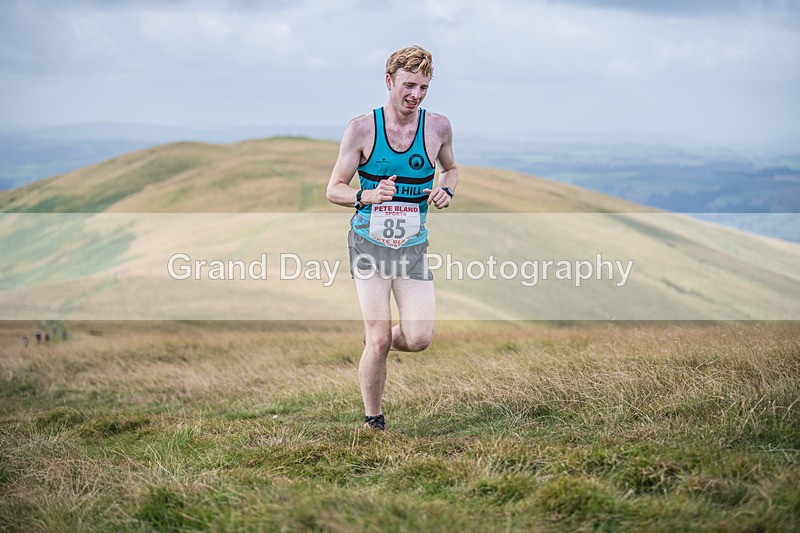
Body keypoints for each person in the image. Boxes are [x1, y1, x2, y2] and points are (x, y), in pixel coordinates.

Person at [326, 45, 459, 432]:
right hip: (369, 245)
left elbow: (450, 169)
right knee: (381, 339)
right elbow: (334, 188)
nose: (415, 95)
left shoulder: (439, 127)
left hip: (412, 249)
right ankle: (373, 420)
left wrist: (446, 190)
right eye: (408, 85)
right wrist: (367, 195)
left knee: (418, 338)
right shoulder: (362, 128)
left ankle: (375, 340)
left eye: (423, 87)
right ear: (389, 81)